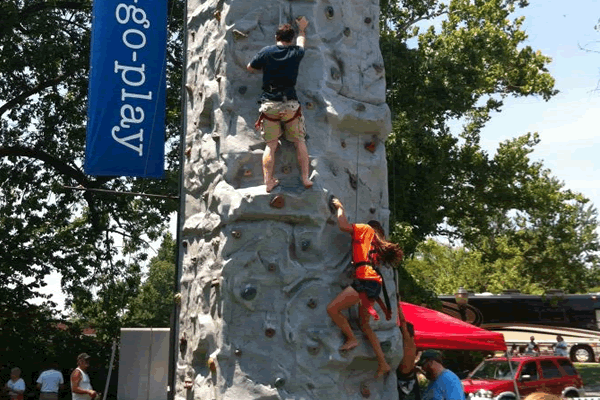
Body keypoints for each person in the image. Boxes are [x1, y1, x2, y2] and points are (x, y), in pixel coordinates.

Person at [326, 197, 404, 378]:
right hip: (373, 283)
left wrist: (340, 207)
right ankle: (383, 363)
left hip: (366, 281)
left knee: (333, 309)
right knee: (364, 324)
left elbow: (343, 225)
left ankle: (351, 338)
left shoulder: (364, 229)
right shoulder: (374, 243)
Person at [247, 17, 313, 192]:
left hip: (270, 104)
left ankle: (268, 181)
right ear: (290, 39)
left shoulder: (267, 52)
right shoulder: (296, 53)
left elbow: (250, 67)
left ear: (276, 36)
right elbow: (301, 41)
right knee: (299, 141)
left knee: (271, 145)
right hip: (290, 104)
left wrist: (267, 66)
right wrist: (302, 29)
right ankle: (305, 178)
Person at [397, 302, 420, 400]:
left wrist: (397, 306)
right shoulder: (413, 344)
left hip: (404, 377)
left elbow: (402, 321)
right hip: (410, 375)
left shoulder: (408, 341)